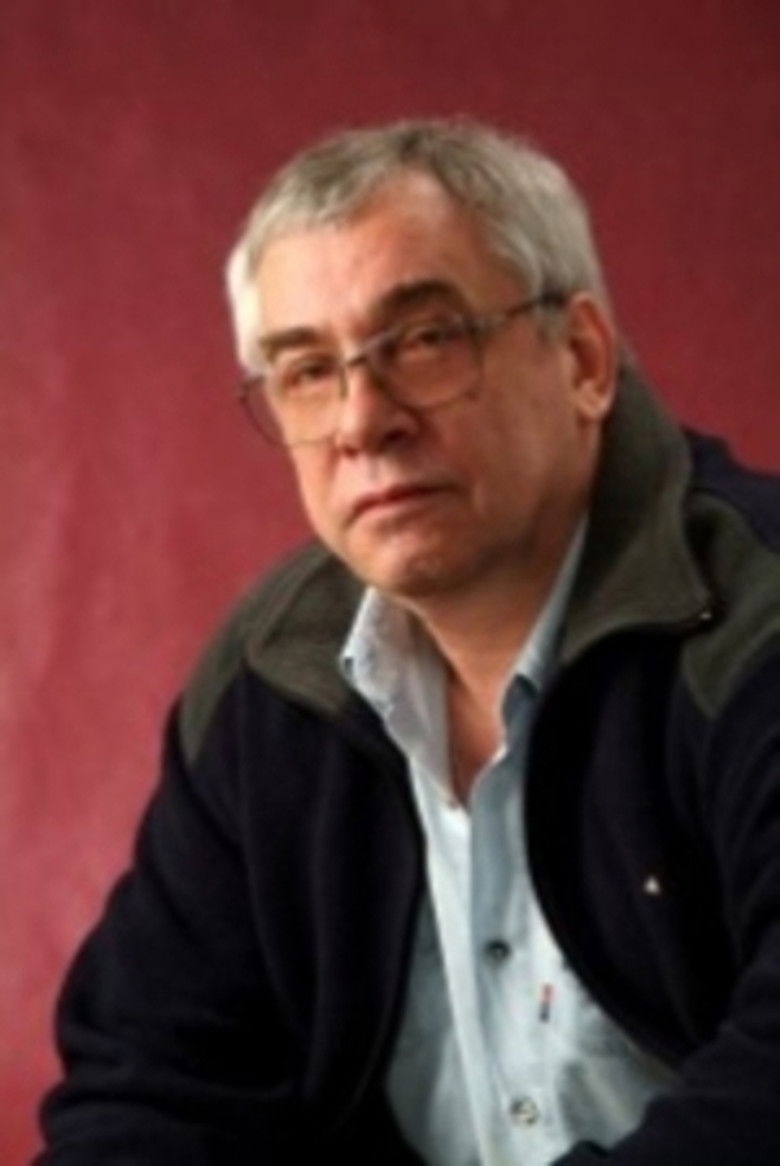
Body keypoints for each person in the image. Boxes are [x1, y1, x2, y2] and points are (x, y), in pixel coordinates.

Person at [38, 119, 780, 1165]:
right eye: (307, 370)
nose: (362, 420)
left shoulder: (756, 628)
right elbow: (148, 1085)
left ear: (581, 358)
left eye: (426, 341)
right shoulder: (274, 678)